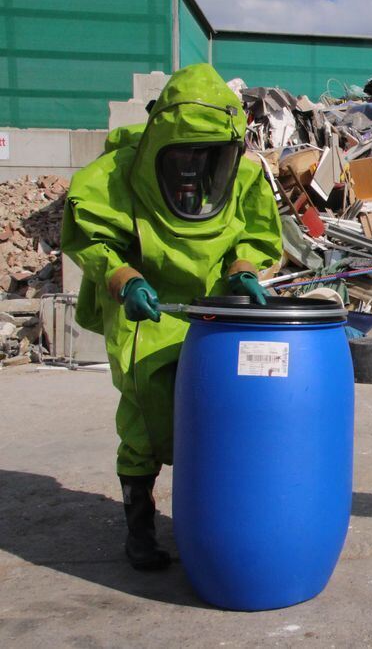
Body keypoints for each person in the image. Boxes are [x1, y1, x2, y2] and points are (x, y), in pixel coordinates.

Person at [62, 64, 282, 570]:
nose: (194, 167)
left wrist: (244, 270)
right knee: (146, 421)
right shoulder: (117, 174)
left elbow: (252, 235)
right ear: (161, 140)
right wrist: (124, 280)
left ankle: (210, 522)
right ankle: (139, 530)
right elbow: (92, 238)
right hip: (146, 312)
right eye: (183, 155)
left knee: (220, 423)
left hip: (214, 315)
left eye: (209, 157)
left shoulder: (244, 174)